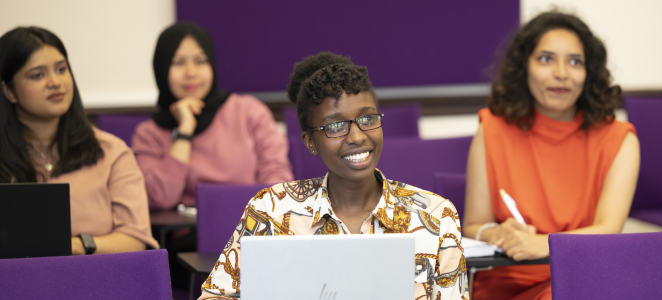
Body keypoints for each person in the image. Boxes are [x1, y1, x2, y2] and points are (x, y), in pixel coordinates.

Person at [197, 52, 469, 299]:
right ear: (310, 142)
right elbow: (214, 296)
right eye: (336, 126)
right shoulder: (271, 209)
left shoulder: (436, 215)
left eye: (367, 119)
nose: (357, 136)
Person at [461, 11, 640, 300]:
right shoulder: (492, 129)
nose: (561, 73)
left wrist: (543, 244)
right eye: (546, 58)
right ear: (524, 67)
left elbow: (609, 229)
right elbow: (474, 225)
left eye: (575, 61)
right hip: (506, 280)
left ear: (588, 73)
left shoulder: (619, 139)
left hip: (581, 277)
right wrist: (498, 234)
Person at [0, 26, 158, 255]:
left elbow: (135, 240)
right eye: (38, 75)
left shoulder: (111, 152)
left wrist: (75, 245)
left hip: (95, 282)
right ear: (9, 91)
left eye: (61, 69)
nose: (55, 82)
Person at [132, 22, 292, 210]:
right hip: (190, 235)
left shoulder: (249, 112)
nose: (191, 73)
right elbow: (160, 198)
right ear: (161, 68)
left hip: (252, 225)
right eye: (178, 62)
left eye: (200, 61)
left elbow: (277, 179)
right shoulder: (148, 134)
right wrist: (184, 132)